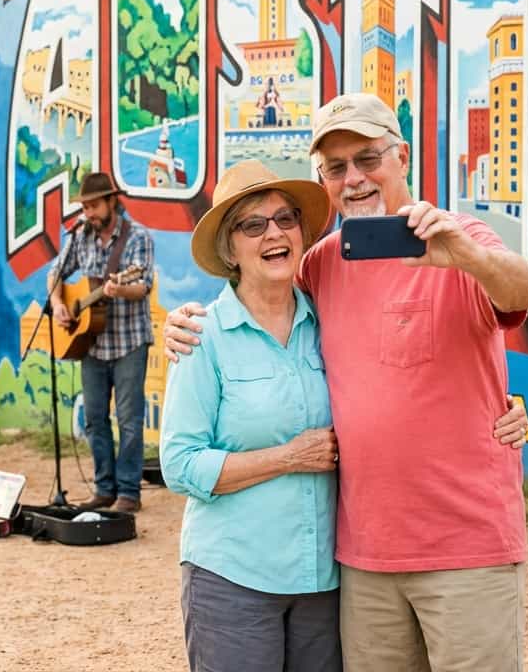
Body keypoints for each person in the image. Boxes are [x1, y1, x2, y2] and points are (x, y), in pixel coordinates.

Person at [164, 93, 528, 671]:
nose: (354, 179)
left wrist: (465, 256)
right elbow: (262, 311)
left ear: (403, 156)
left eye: (368, 159)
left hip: (466, 552)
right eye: (336, 168)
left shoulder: (459, 238)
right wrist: (185, 324)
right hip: (363, 565)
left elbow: (521, 293)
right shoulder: (320, 267)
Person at [162, 159, 340, 671]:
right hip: (233, 578)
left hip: (322, 580)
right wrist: (288, 457)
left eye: (285, 219)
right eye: (253, 224)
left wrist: (494, 409)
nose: (274, 234)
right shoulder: (203, 335)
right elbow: (180, 463)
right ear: (229, 248)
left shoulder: (329, 321)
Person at [49, 171, 155, 513]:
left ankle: (128, 493)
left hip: (129, 342)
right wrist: (60, 305)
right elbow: (56, 274)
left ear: (112, 201)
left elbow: (142, 287)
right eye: (85, 207)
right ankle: (104, 488)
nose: (89, 213)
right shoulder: (81, 236)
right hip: (90, 343)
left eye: (94, 205)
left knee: (128, 419)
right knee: (94, 419)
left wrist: (118, 288)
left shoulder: (138, 236)